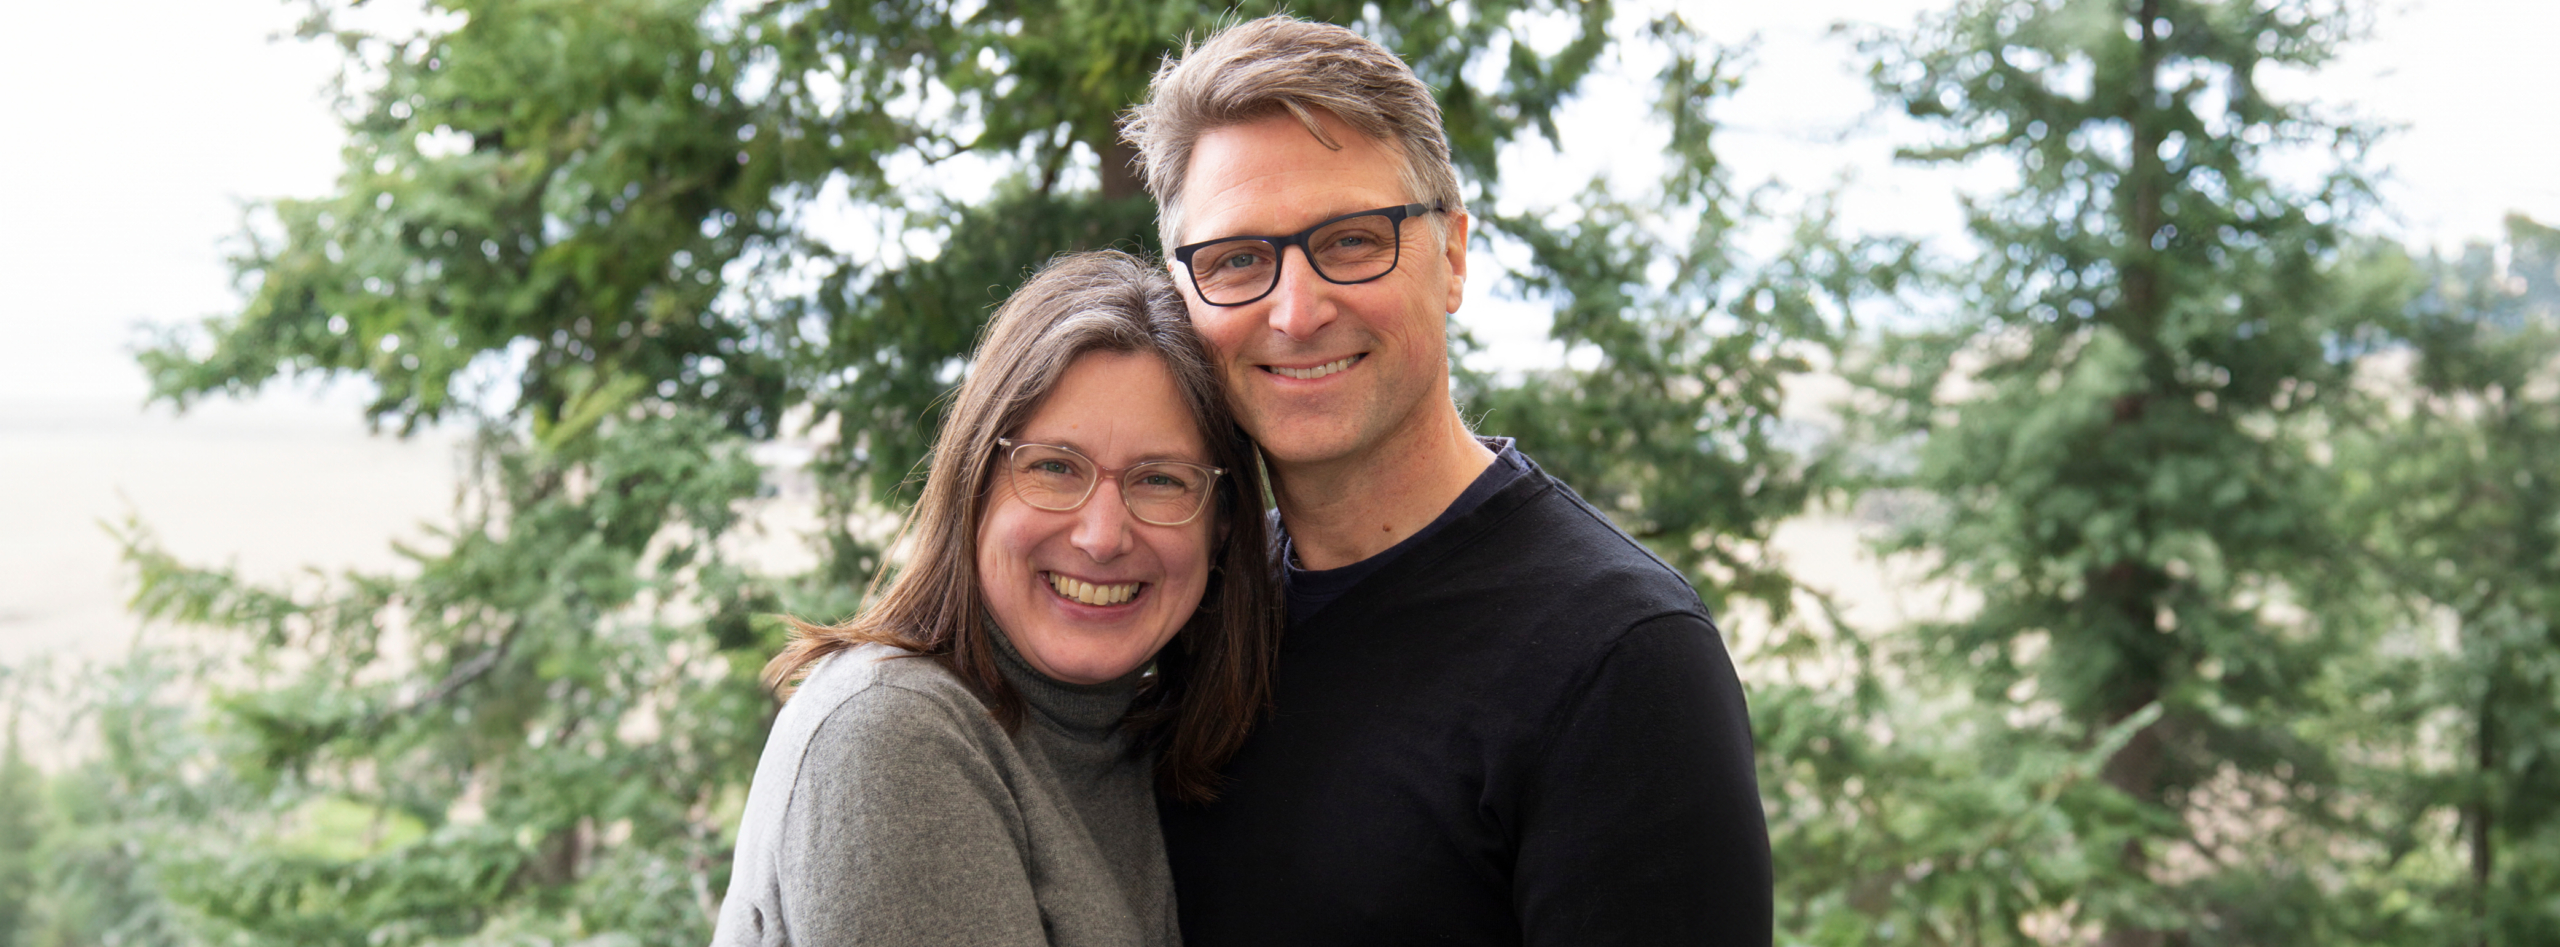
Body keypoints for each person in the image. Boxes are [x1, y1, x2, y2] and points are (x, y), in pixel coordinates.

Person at [1120, 16, 1774, 945]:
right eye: (1237, 260)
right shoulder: (1197, 608)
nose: (1296, 311)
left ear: (1454, 256)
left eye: (1349, 241)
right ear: (1185, 294)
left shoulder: (1619, 658)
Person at [710, 249, 1281, 946]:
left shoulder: (1141, 745)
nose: (1102, 536)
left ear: (1222, 524)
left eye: (1161, 480)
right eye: (1052, 467)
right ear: (973, 483)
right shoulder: (893, 735)